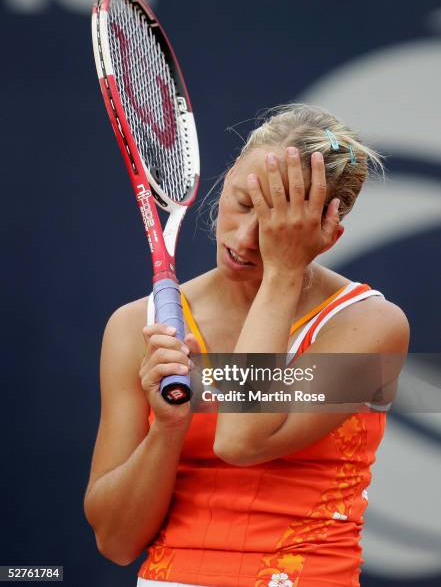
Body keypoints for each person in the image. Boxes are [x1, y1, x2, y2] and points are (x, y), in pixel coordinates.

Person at [83, 103, 409, 587]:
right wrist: (167, 428)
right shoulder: (135, 326)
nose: (247, 238)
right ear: (228, 177)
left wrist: (282, 272)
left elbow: (240, 440)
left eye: (280, 227)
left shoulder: (374, 326)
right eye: (243, 203)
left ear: (327, 235)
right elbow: (115, 542)